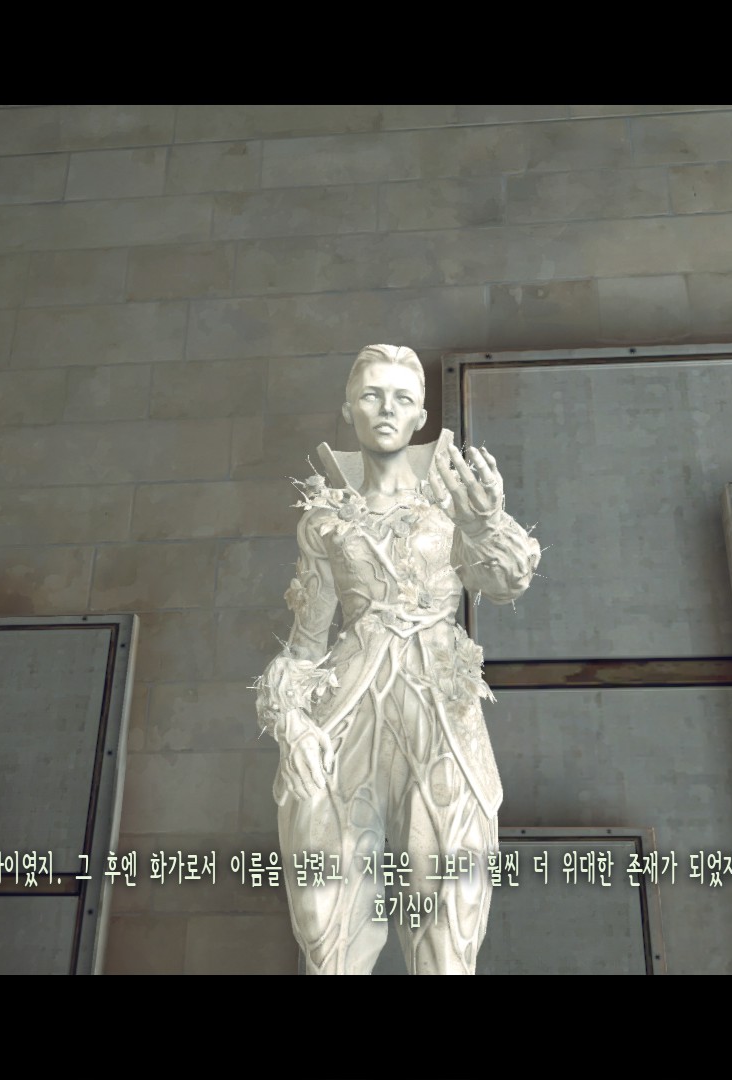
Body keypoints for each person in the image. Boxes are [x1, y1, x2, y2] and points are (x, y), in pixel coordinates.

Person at [253, 344, 542, 974]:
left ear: (420, 417)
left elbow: (507, 582)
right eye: (372, 395)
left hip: (439, 713)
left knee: (448, 916)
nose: (386, 409)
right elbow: (305, 646)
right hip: (347, 713)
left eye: (402, 398)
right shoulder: (325, 521)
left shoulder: (452, 503)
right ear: (348, 409)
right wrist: (292, 722)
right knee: (326, 920)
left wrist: (485, 523)